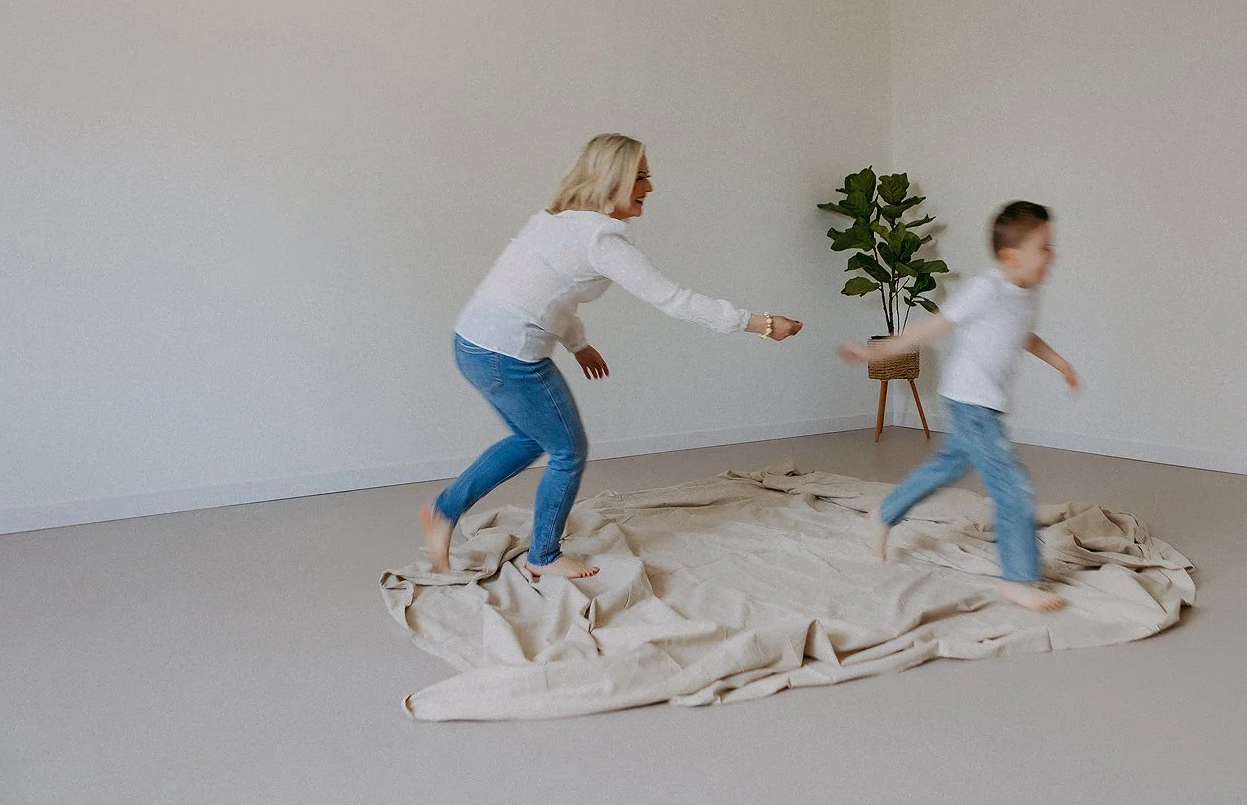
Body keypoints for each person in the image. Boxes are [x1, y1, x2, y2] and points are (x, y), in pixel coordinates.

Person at [420, 133, 802, 579]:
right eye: (640, 177)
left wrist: (579, 345)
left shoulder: (556, 219)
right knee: (568, 450)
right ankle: (542, 556)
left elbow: (546, 293)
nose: (650, 188)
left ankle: (443, 511)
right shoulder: (601, 241)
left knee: (532, 439)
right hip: (507, 355)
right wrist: (763, 324)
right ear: (612, 180)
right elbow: (674, 300)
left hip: (472, 343)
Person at [839, 200, 1077, 612]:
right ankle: (1018, 579)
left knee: (946, 467)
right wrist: (878, 353)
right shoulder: (987, 289)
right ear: (1010, 256)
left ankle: (883, 515)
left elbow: (1025, 335)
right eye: (1044, 247)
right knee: (1011, 486)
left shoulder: (1027, 295)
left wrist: (1060, 363)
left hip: (982, 402)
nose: (1052, 255)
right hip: (971, 403)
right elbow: (934, 325)